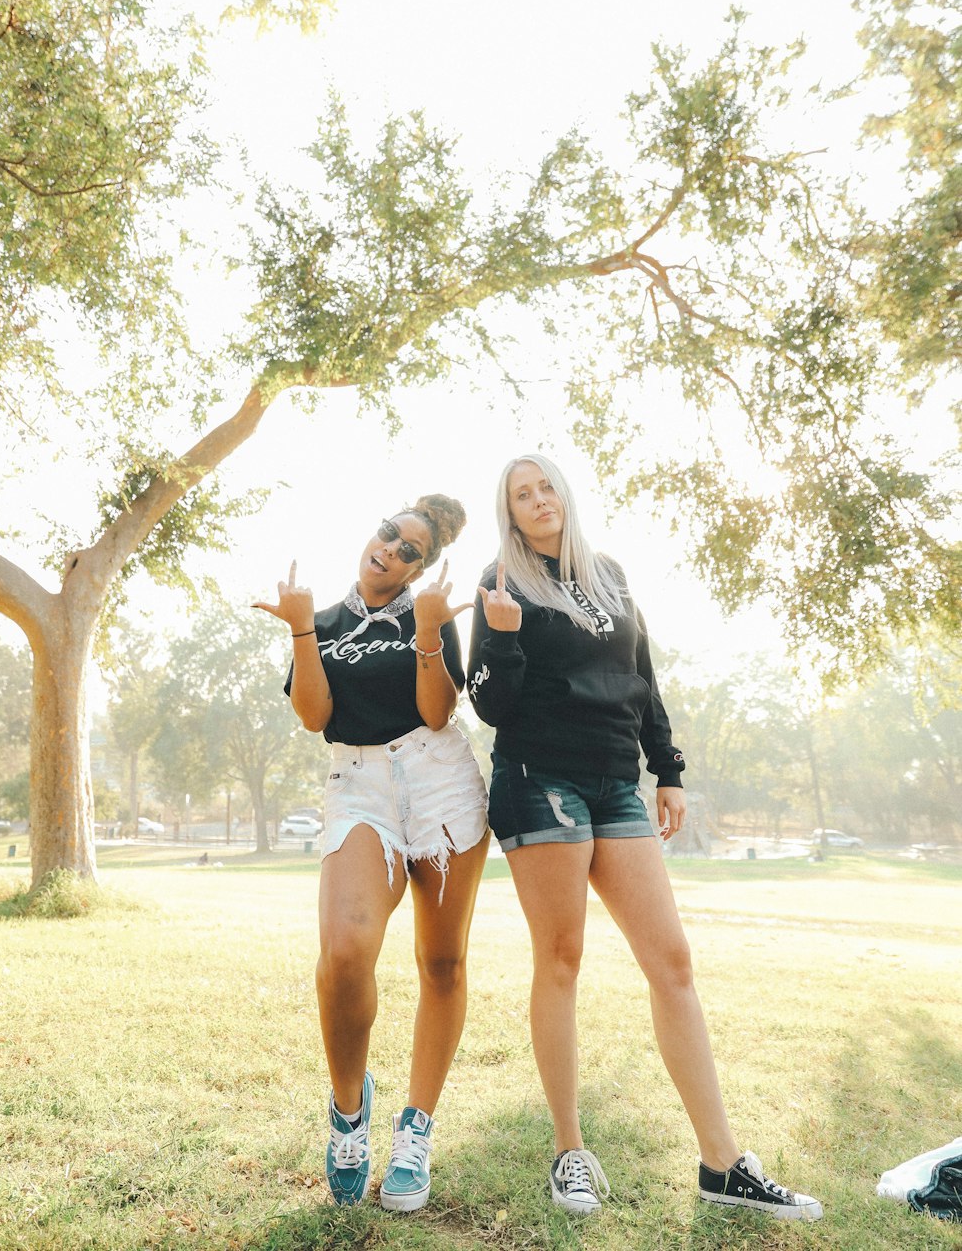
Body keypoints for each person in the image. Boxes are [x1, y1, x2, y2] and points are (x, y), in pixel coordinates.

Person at [466, 455, 822, 1222]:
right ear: (509, 511)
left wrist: (668, 769)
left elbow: (643, 676)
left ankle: (723, 1164)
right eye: (520, 494)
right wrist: (501, 638)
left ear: (565, 493)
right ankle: (570, 1153)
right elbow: (490, 705)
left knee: (673, 961)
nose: (537, 500)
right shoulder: (500, 582)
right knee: (561, 959)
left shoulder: (610, 574)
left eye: (545, 486)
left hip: (615, 782)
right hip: (539, 780)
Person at [255, 495, 489, 1212]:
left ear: (425, 565)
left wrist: (426, 634)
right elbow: (315, 717)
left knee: (442, 963)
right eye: (391, 533)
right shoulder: (321, 621)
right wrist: (301, 630)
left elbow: (436, 711)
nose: (391, 550)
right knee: (346, 951)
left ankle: (415, 1131)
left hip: (441, 783)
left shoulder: (430, 615)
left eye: (411, 549)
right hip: (358, 784)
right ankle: (349, 1113)